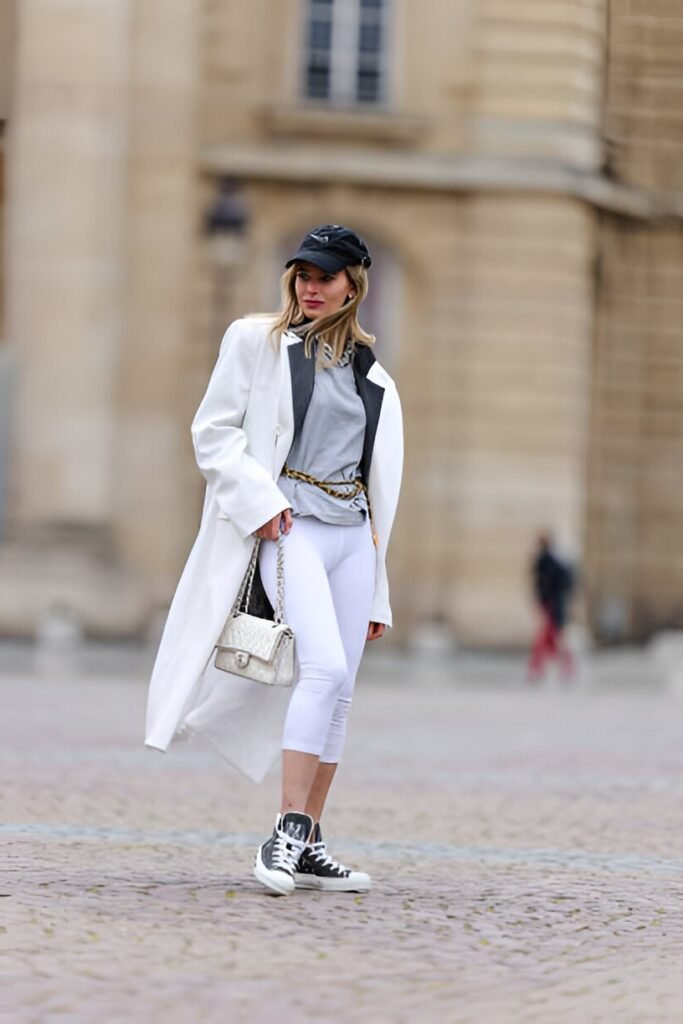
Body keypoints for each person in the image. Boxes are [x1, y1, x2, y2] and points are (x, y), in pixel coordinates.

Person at [145, 225, 403, 896]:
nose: (311, 287)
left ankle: (310, 840)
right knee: (322, 668)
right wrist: (259, 501)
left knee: (341, 688)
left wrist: (377, 589)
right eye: (302, 275)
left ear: (353, 285)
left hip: (352, 537)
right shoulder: (255, 342)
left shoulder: (374, 376)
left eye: (326, 276)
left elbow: (378, 491)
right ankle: (284, 830)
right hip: (290, 528)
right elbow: (212, 433)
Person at [528, 532, 576, 682]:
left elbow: (546, 585)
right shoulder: (553, 561)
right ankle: (563, 668)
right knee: (553, 639)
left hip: (551, 605)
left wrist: (546, 599)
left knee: (547, 639)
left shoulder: (547, 561)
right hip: (553, 604)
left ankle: (541, 668)